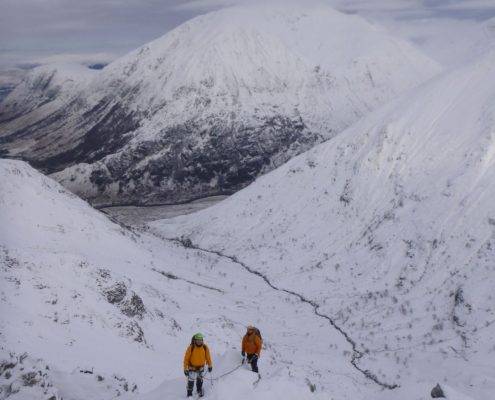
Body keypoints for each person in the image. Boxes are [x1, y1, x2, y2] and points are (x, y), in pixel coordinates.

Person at [183, 333, 212, 397]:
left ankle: (199, 390)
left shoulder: (205, 347)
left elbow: (208, 357)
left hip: (200, 367)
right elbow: (186, 359)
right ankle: (189, 393)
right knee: (191, 381)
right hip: (192, 367)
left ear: (202, 340)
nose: (199, 342)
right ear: (195, 340)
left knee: (199, 380)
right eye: (197, 340)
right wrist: (185, 369)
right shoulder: (191, 347)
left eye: (200, 340)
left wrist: (210, 365)